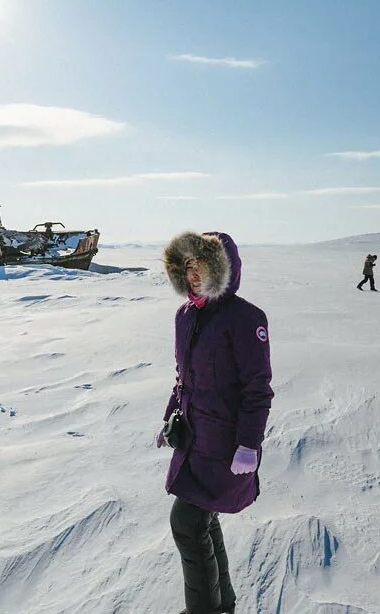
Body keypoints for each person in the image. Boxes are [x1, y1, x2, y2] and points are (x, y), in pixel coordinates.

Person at [157, 231, 274, 614]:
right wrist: (169, 418)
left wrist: (248, 444)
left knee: (187, 524)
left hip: (224, 445)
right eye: (188, 267)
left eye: (202, 266)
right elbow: (183, 377)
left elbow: (258, 390)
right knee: (201, 522)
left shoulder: (245, 318)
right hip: (194, 439)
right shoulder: (185, 317)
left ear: (222, 269)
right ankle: (221, 604)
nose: (193, 275)